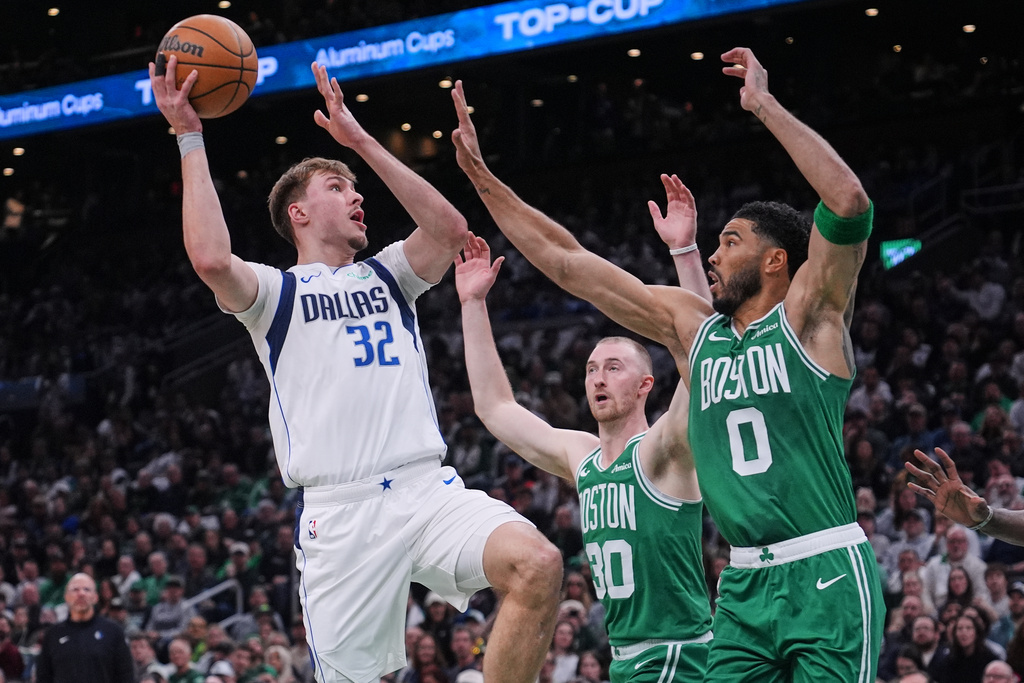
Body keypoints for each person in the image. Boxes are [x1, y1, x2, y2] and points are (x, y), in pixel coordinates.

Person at [450, 45, 883, 681]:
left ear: (775, 262)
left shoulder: (811, 321)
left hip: (823, 568)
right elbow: (571, 263)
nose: (713, 255)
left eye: (729, 242)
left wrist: (762, 105)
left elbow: (847, 201)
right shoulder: (694, 331)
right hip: (741, 589)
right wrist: (485, 181)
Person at [149, 53, 562, 683]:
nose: (356, 194)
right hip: (342, 515)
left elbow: (450, 229)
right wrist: (188, 135)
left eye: (354, 186)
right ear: (299, 214)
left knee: (537, 563)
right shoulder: (274, 296)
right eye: (337, 188)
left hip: (426, 489)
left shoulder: (389, 275)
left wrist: (357, 140)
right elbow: (210, 258)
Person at [455, 226, 713, 681]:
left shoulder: (662, 452)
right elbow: (496, 408)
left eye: (613, 368)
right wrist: (473, 305)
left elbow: (704, 355)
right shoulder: (583, 456)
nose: (598, 378)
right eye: (592, 369)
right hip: (626, 659)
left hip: (679, 657)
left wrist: (684, 250)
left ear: (644, 385)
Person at [34, 573, 133, 683]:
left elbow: (126, 675)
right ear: (66, 597)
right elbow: (43, 677)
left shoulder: (113, 631)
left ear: (95, 597)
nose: (81, 594)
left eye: (87, 589)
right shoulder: (53, 634)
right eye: (75, 589)